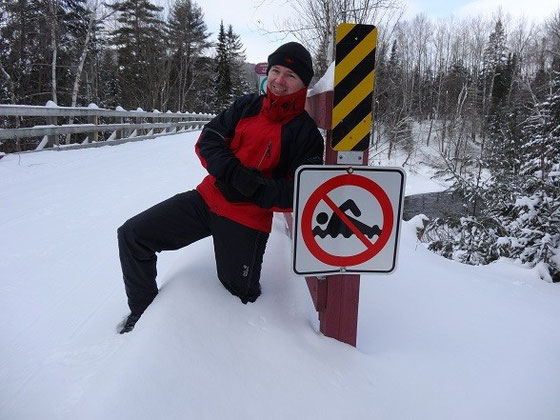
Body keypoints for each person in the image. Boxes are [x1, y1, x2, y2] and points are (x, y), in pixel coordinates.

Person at [117, 42, 325, 333]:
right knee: (132, 235)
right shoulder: (247, 106)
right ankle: (144, 318)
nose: (279, 80)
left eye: (290, 75)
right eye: (275, 70)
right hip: (207, 199)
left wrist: (255, 188)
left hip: (246, 219)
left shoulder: (305, 134)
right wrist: (232, 172)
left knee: (239, 296)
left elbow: (303, 191)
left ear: (303, 83)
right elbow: (210, 138)